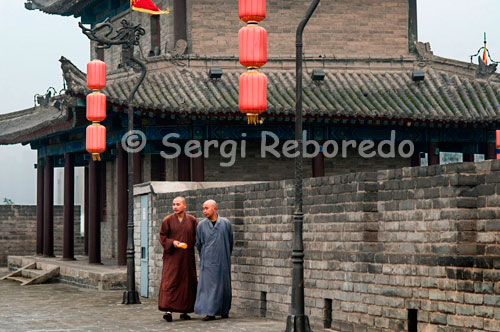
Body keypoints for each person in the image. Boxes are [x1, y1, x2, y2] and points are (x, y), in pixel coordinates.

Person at [158, 196, 198, 322]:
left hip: (187, 258)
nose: (175, 207)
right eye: (173, 204)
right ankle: (168, 310)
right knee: (170, 282)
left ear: (184, 206)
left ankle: (184, 310)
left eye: (178, 204)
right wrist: (172, 242)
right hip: (172, 257)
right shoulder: (168, 220)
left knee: (186, 283)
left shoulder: (192, 220)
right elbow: (162, 237)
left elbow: (197, 237)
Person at [194, 199, 234, 321]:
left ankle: (224, 310)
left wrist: (225, 254)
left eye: (207, 208)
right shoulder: (201, 225)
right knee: (208, 287)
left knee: (224, 286)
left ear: (215, 209)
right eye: (203, 208)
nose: (204, 211)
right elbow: (199, 243)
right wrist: (205, 256)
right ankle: (209, 312)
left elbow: (230, 241)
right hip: (208, 261)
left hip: (223, 259)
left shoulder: (225, 223)